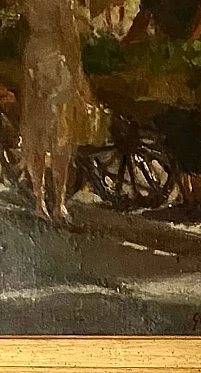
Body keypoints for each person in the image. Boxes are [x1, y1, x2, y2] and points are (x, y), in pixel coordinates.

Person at [19, 0, 92, 220]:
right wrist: (78, 74)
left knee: (36, 132)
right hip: (55, 62)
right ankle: (59, 202)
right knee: (61, 134)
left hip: (33, 55)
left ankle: (39, 200)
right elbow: (69, 35)